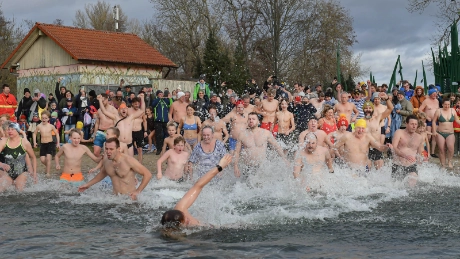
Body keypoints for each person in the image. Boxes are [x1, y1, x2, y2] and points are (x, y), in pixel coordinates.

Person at [161, 154, 232, 229]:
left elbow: (198, 185)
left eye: (184, 217)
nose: (188, 219)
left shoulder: (180, 209)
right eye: (185, 222)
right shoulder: (185, 238)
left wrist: (220, 167)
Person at [78, 138, 152, 200]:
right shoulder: (106, 160)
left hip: (129, 200)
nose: (108, 152)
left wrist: (138, 191)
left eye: (111, 149)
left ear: (118, 149)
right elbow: (102, 173)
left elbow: (148, 174)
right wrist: (87, 185)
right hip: (115, 199)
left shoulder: (128, 160)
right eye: (106, 149)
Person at [233, 112, 287, 178]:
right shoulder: (242, 135)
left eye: (253, 119)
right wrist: (235, 166)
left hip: (262, 167)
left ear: (258, 121)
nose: (251, 120)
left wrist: (284, 159)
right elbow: (237, 152)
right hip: (248, 167)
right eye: (249, 119)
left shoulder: (266, 133)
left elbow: (277, 146)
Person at [0, 122, 37, 192]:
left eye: (12, 129)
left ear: (17, 130)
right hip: (8, 173)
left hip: (22, 172)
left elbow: (33, 157)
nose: (10, 131)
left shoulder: (24, 142)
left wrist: (34, 173)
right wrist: (1, 164)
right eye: (9, 129)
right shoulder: (3, 142)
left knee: (19, 192)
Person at [361, 93, 394, 169]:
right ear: (363, 109)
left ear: (373, 109)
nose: (368, 110)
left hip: (377, 148)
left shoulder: (378, 118)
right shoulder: (359, 122)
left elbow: (390, 108)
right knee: (367, 173)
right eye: (366, 108)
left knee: (379, 172)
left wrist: (386, 99)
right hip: (365, 149)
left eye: (370, 108)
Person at [391, 115, 424, 187]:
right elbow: (394, 148)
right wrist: (405, 156)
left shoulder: (419, 137)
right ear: (406, 124)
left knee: (412, 181)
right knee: (395, 188)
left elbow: (419, 154)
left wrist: (422, 160)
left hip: (411, 165)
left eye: (415, 124)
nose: (414, 126)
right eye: (412, 124)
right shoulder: (399, 132)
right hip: (398, 164)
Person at [432, 98, 460, 168]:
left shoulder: (452, 110)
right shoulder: (438, 111)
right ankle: (443, 164)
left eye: (448, 104)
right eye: (445, 104)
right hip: (440, 132)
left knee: (451, 148)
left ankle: (449, 161)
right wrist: (434, 131)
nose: (447, 106)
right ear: (442, 104)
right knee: (441, 149)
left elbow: (456, 120)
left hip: (450, 132)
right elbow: (433, 121)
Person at [33, 111, 60, 177]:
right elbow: (34, 133)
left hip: (50, 143)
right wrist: (34, 142)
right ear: (41, 118)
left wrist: (58, 143)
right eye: (42, 118)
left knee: (48, 158)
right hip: (43, 144)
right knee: (42, 160)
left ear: (48, 119)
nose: (44, 119)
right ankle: (48, 166)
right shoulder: (39, 126)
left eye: (45, 118)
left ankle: (48, 173)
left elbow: (57, 133)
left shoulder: (51, 126)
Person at [419, 88, 440, 157]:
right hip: (428, 121)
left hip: (435, 120)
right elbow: (420, 110)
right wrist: (426, 117)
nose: (435, 95)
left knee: (434, 135)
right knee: (428, 136)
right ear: (430, 94)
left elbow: (438, 110)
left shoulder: (437, 101)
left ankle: (432, 152)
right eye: (433, 94)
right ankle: (425, 150)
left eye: (435, 94)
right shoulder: (426, 101)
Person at [151, 90, 173, 155]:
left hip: (165, 121)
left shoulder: (165, 100)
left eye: (162, 94)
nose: (161, 95)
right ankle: (159, 149)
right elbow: (153, 105)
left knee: (167, 134)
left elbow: (171, 105)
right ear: (157, 95)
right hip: (158, 120)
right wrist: (159, 99)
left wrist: (170, 98)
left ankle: (169, 147)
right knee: (158, 135)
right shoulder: (156, 100)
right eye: (160, 94)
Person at [128, 97, 148, 162]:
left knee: (140, 149)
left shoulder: (141, 112)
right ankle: (130, 162)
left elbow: (144, 121)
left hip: (139, 131)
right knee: (130, 148)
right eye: (135, 104)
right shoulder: (128, 110)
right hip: (130, 132)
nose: (137, 105)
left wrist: (145, 131)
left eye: (138, 104)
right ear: (132, 104)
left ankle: (140, 163)